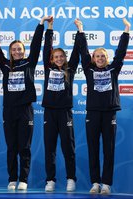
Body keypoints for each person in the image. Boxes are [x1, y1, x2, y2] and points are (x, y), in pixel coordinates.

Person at [0, 14, 52, 191]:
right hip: (9, 110)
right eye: (14, 49)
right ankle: (12, 178)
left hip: (25, 110)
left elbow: (36, 44)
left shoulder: (29, 63)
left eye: (20, 49)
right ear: (10, 52)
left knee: (24, 147)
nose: (17, 51)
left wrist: (40, 24)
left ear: (24, 50)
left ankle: (23, 179)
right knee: (11, 146)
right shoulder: (5, 65)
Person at [76, 18, 131, 194]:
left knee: (108, 149)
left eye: (103, 56)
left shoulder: (113, 68)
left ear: (107, 59)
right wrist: (81, 30)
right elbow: (83, 51)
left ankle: (106, 184)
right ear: (93, 59)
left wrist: (127, 30)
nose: (100, 58)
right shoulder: (88, 69)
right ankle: (95, 183)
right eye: (97, 56)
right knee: (93, 148)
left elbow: (121, 52)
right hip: (92, 113)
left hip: (109, 114)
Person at [41, 17, 82, 192]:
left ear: (64, 58)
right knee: (49, 147)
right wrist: (50, 27)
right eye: (55, 57)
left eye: (61, 56)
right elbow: (46, 48)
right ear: (51, 59)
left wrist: (80, 30)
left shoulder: (70, 68)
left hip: (65, 112)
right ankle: (50, 180)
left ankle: (71, 178)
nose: (58, 59)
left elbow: (76, 51)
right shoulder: (48, 68)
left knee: (68, 147)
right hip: (49, 112)